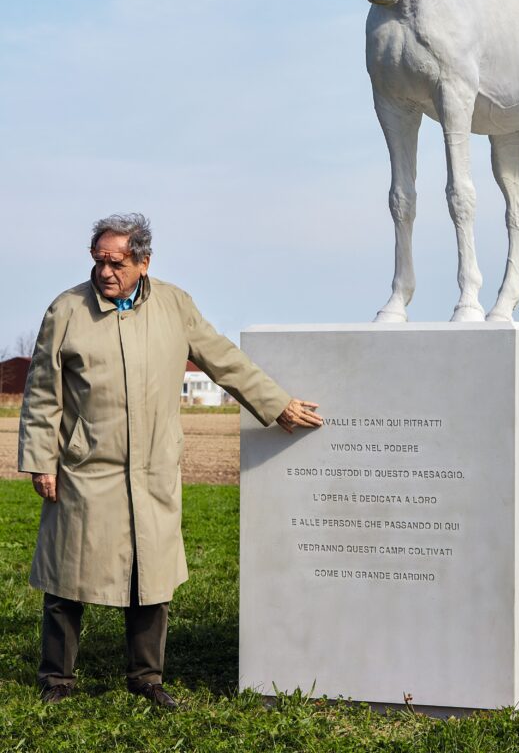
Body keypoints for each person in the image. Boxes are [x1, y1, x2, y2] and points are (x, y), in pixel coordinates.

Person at [18, 213, 323, 708]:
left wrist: (275, 403)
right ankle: (57, 678)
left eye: (115, 262)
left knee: (150, 577)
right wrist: (40, 460)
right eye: (97, 262)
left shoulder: (175, 305)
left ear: (143, 261)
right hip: (86, 468)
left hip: (154, 470)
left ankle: (146, 678)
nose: (104, 272)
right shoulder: (67, 310)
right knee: (66, 577)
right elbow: (42, 394)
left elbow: (223, 359)